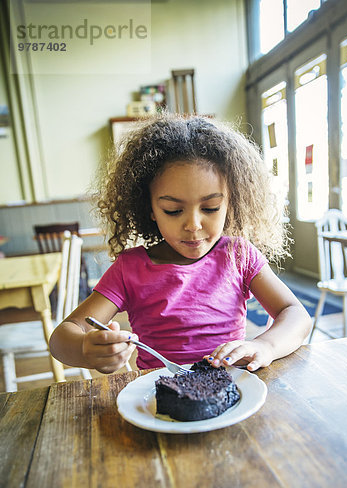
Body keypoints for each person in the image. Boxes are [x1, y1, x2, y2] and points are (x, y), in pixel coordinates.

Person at [49, 113, 311, 374]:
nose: (193, 225)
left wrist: (266, 346)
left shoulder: (238, 255)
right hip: (158, 401)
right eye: (173, 210)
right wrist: (87, 348)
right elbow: (61, 338)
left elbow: (296, 314)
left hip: (232, 393)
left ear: (230, 203)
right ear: (149, 208)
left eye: (210, 207)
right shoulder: (130, 270)